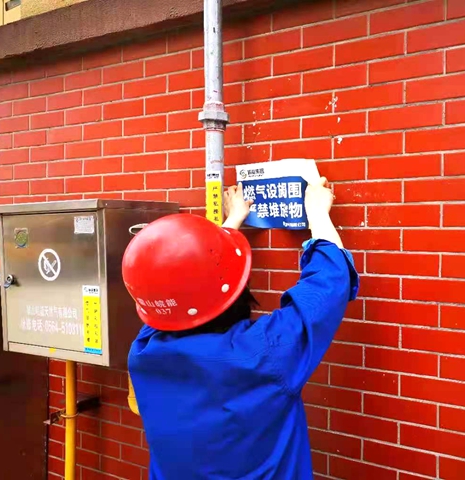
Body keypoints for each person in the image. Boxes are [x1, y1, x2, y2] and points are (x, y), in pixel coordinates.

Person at [122, 177, 359, 480]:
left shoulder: (143, 352)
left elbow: (176, 294)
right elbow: (328, 283)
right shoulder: (262, 355)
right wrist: (317, 213)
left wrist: (231, 222)